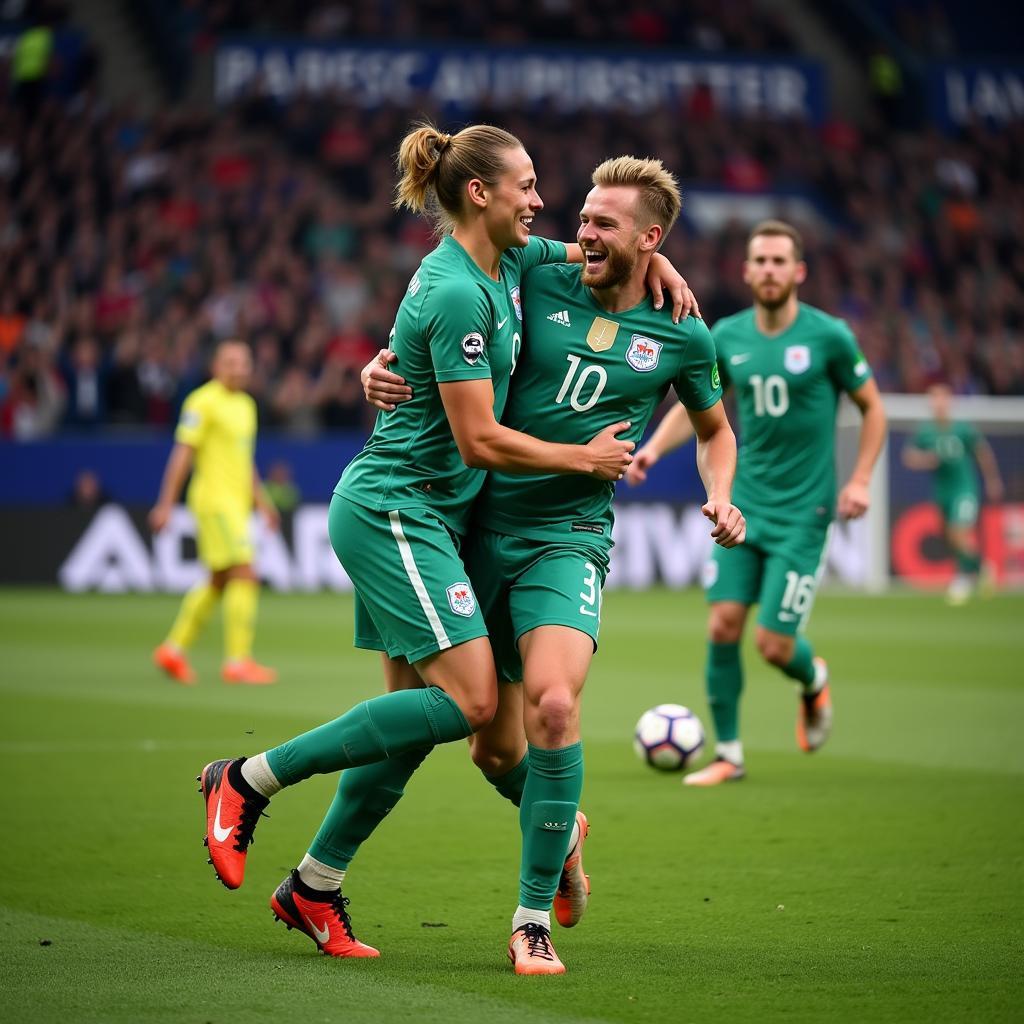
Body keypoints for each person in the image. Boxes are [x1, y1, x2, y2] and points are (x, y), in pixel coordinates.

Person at [197, 124, 694, 963]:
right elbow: (478, 441)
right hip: (401, 508)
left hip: (438, 518)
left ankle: (313, 888)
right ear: (480, 193)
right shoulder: (459, 290)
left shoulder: (513, 262)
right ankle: (246, 779)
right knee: (469, 704)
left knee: (409, 728)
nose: (543, 203)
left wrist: (662, 261)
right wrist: (587, 457)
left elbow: (598, 256)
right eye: (528, 185)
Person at [357, 156, 743, 974]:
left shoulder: (683, 329)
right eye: (585, 217)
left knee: (556, 706)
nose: (583, 231)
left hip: (568, 537)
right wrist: (380, 364)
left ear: (651, 235)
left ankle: (530, 918)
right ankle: (561, 827)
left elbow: (714, 429)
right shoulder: (538, 274)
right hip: (474, 525)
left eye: (606, 223)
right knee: (492, 751)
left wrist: (721, 493)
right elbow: (449, 307)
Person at [626, 220, 887, 786]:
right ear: (745, 272)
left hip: (804, 514)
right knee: (722, 625)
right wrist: (651, 451)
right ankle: (730, 754)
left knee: (772, 644)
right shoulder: (728, 336)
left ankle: (812, 678)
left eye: (778, 261)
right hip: (744, 505)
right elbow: (697, 406)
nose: (768, 270)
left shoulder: (830, 338)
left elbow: (874, 409)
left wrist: (861, 478)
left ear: (798, 272)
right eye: (759, 261)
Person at [150, 339, 280, 686]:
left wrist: (263, 502)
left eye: (244, 362)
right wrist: (166, 503)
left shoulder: (246, 405)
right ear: (216, 366)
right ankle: (238, 661)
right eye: (231, 362)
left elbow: (243, 460)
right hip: (214, 502)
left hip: (236, 505)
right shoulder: (202, 402)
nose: (239, 368)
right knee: (246, 572)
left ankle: (173, 650)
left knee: (219, 579)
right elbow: (183, 454)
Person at [902, 381, 1003, 604]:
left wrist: (992, 480)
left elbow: (982, 452)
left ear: (949, 401)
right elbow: (909, 456)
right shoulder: (926, 431)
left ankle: (964, 577)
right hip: (942, 491)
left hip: (964, 489)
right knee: (949, 537)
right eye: (933, 398)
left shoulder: (962, 428)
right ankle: (982, 568)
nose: (937, 403)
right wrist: (925, 460)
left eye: (941, 398)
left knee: (959, 533)